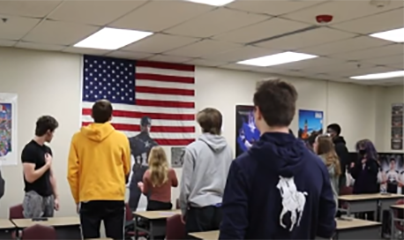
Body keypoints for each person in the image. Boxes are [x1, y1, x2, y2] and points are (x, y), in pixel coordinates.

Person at [219, 79, 336, 240]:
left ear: (258, 113)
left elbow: (232, 231)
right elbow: (326, 226)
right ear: (292, 114)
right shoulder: (316, 166)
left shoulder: (243, 167)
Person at [67, 100, 131, 240]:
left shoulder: (78, 139)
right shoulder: (121, 139)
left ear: (91, 115)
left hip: (89, 196)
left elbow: (72, 173)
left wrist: (78, 199)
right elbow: (127, 169)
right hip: (114, 197)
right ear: (111, 117)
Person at [179, 108, 233, 237]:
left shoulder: (193, 149)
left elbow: (185, 185)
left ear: (202, 125)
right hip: (221, 208)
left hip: (199, 209)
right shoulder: (229, 150)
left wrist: (183, 209)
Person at [21, 116, 59, 218]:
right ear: (48, 132)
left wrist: (56, 197)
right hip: (35, 197)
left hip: (48, 196)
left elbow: (51, 175)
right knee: (33, 231)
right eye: (53, 132)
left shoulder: (47, 150)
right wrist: (47, 165)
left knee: (48, 230)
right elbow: (30, 177)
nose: (53, 135)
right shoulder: (30, 149)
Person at [138, 146, 178, 240]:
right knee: (164, 231)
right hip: (166, 206)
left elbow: (145, 192)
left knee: (153, 233)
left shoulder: (148, 173)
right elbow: (175, 184)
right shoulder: (170, 172)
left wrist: (140, 186)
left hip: (153, 206)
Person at [128, 116, 158, 211]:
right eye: (145, 125)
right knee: (133, 203)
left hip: (146, 173)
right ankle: (130, 223)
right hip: (143, 173)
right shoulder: (153, 143)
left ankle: (146, 222)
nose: (146, 127)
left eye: (147, 125)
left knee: (151, 202)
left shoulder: (134, 141)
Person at [350, 139, 379, 220]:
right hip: (358, 190)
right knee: (359, 214)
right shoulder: (359, 160)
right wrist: (355, 167)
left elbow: (372, 175)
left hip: (370, 191)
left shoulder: (373, 162)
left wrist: (366, 165)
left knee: (370, 214)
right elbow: (355, 174)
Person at [313, 134, 342, 208]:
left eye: (316, 142)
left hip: (321, 202)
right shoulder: (335, 161)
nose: (313, 145)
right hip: (333, 199)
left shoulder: (316, 161)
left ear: (321, 146)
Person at [327, 123, 350, 189]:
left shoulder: (340, 146)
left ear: (335, 133)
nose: (327, 134)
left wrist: (337, 172)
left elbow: (343, 162)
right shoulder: (330, 145)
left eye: (329, 131)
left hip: (338, 176)